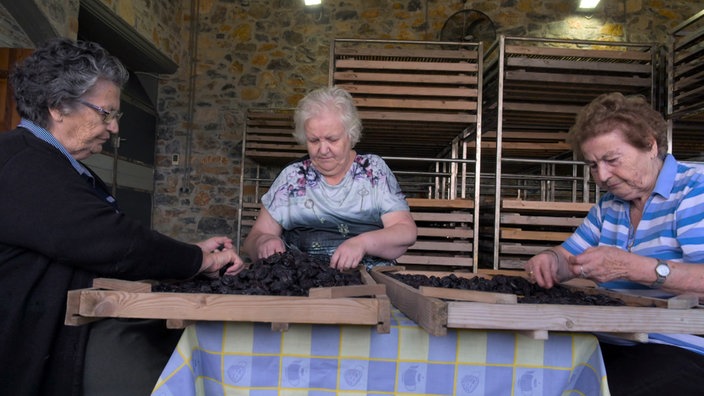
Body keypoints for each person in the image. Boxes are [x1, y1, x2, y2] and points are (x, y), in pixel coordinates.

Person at [0, 38, 244, 395]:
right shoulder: (21, 163)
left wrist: (190, 251)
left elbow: (97, 240)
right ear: (57, 107)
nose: (114, 128)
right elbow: (107, 240)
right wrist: (198, 260)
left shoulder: (53, 165)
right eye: (106, 113)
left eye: (116, 115)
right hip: (25, 355)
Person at [523, 92, 704, 396]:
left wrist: (634, 268)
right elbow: (569, 257)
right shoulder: (611, 205)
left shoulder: (694, 190)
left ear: (650, 144)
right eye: (593, 166)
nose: (602, 176)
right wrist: (550, 260)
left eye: (611, 160)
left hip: (682, 347)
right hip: (611, 339)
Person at [243, 86, 417, 270]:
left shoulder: (373, 171)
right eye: (314, 141)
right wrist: (264, 241)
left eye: (332, 139)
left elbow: (405, 231)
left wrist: (363, 243)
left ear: (350, 136)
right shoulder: (292, 177)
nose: (323, 150)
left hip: (369, 278)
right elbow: (254, 238)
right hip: (302, 277)